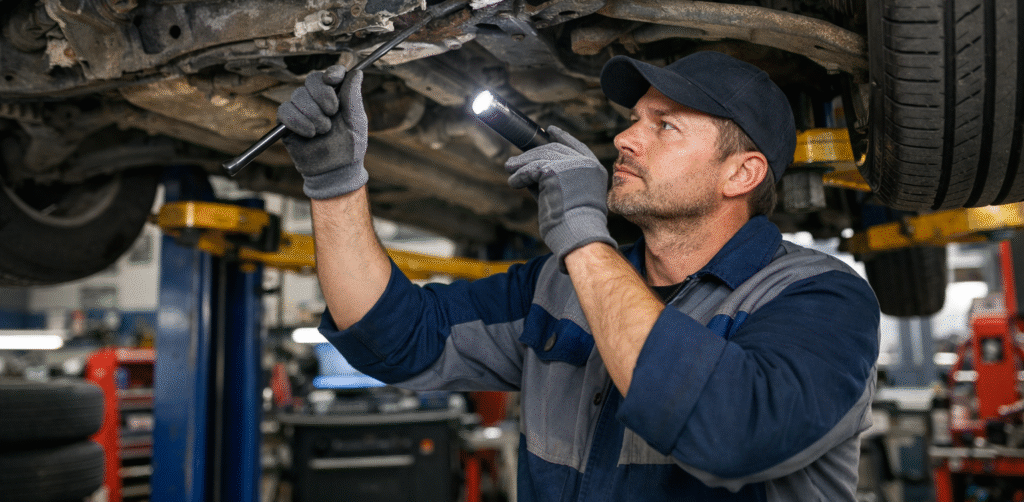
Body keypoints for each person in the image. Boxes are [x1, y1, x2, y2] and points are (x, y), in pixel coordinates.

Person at [277, 49, 881, 501]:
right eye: (634, 119)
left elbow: (730, 431)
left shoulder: (819, 298)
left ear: (741, 174)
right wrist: (334, 182)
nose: (624, 138)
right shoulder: (559, 287)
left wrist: (584, 236)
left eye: (664, 125)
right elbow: (393, 338)